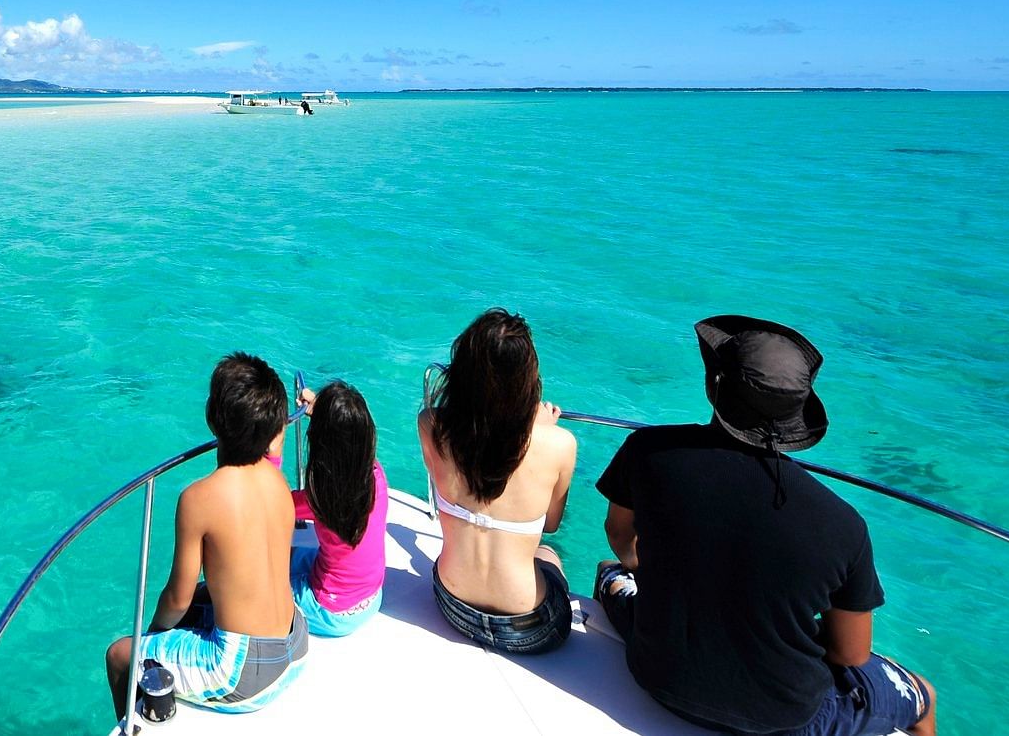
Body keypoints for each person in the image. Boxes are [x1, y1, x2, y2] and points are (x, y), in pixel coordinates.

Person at [594, 315, 937, 736]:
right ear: (797, 413)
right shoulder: (842, 525)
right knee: (924, 696)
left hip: (657, 674)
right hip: (782, 719)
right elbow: (850, 653)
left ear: (713, 388)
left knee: (609, 572)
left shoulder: (648, 450)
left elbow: (619, 536)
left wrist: (646, 568)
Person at [105, 353, 309, 719]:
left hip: (243, 674)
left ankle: (137, 724)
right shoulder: (277, 481)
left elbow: (177, 598)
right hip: (295, 640)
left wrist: (151, 638)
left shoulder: (198, 499)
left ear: (212, 417)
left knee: (121, 655)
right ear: (273, 429)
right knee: (205, 596)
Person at [417, 308, 577, 654]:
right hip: (529, 627)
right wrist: (540, 430)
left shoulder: (431, 425)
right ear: (527, 381)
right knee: (548, 554)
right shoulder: (559, 444)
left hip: (451, 603)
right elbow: (549, 524)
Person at [288, 380, 388, 636]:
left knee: (259, 580)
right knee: (292, 554)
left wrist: (271, 450)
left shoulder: (319, 497)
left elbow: (274, 504)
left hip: (329, 611)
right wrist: (320, 409)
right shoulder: (375, 475)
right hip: (371, 597)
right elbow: (345, 437)